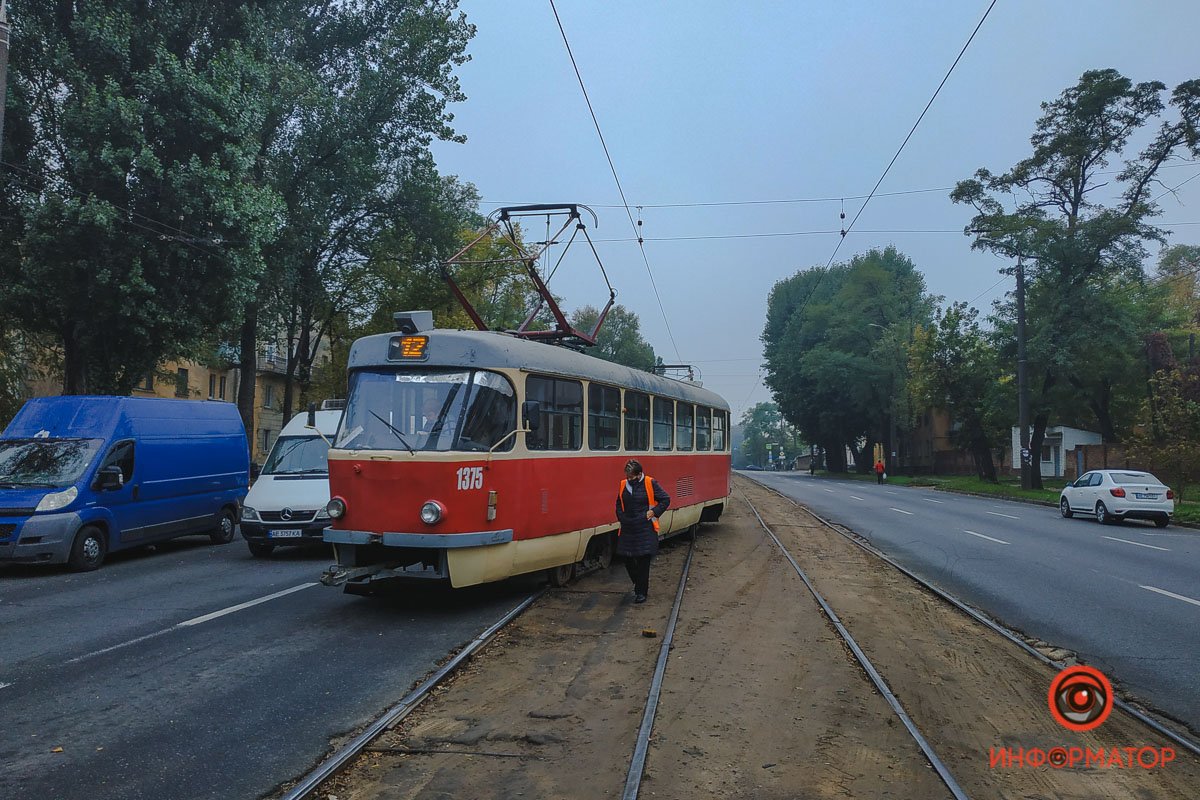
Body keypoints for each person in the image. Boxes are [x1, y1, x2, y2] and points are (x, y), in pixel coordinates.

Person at [615, 459, 670, 604]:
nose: (629, 479)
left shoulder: (650, 483)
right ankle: (638, 583)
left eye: (631, 477)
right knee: (626, 557)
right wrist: (621, 517)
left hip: (645, 528)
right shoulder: (623, 484)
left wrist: (654, 512)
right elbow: (619, 503)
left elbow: (665, 499)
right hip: (628, 527)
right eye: (627, 477)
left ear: (639, 474)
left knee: (643, 560)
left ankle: (641, 592)